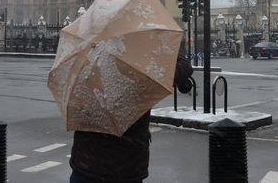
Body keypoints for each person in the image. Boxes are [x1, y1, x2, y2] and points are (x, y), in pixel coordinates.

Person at [69, 42, 193, 183]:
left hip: (86, 164)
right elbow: (184, 68)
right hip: (126, 166)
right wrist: (167, 41)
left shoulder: (86, 67)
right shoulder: (139, 74)